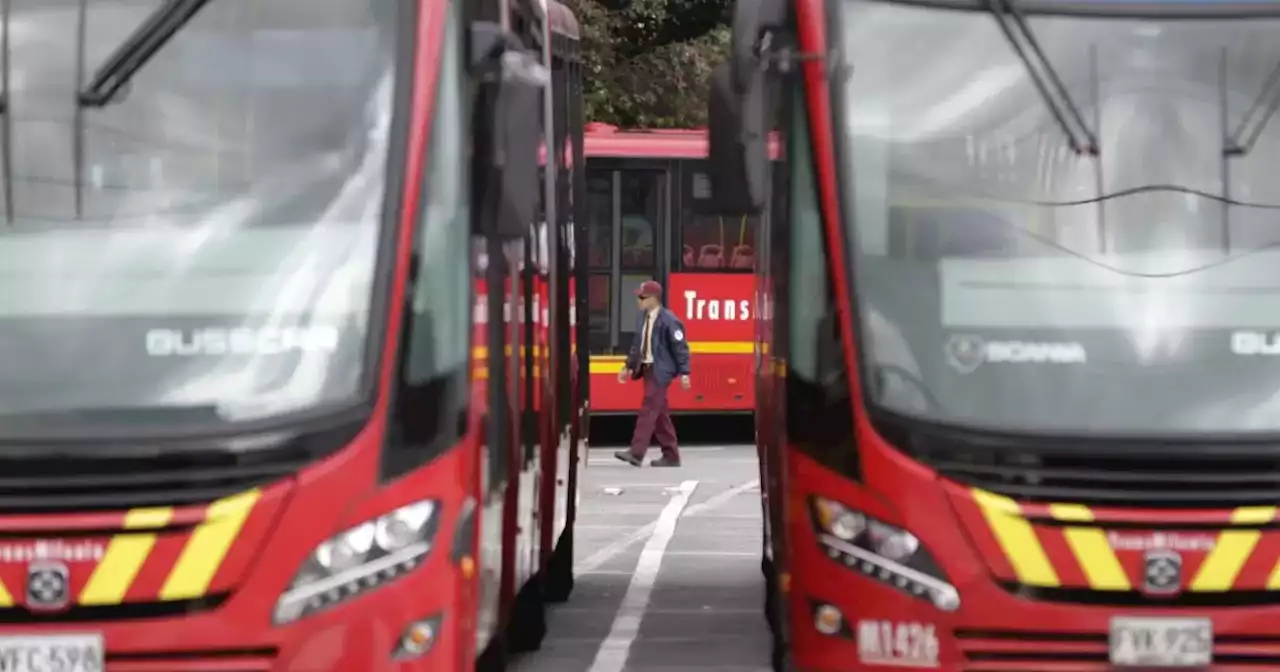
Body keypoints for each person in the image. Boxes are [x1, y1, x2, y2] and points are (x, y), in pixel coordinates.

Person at [615, 280, 691, 467]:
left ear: (654, 299)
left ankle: (636, 452)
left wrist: (684, 373)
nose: (638, 301)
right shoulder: (643, 318)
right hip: (647, 370)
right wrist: (628, 367)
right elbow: (637, 346)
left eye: (642, 297)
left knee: (648, 409)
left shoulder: (669, 320)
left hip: (661, 372)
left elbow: (681, 348)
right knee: (660, 415)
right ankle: (671, 455)